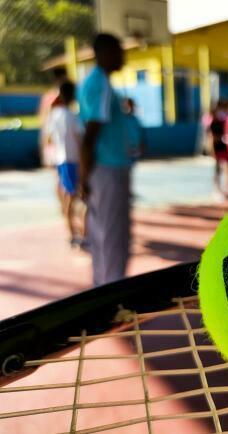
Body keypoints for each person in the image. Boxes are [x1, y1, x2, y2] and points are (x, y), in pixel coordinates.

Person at [78, 33, 131, 286]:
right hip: (107, 169)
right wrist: (84, 175)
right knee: (113, 236)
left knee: (102, 234)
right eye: (118, 50)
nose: (123, 56)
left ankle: (102, 285)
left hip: (103, 169)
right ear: (103, 53)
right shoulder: (100, 84)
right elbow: (90, 134)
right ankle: (112, 292)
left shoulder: (97, 82)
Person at [45, 81, 85, 248]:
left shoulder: (54, 115)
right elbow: (80, 140)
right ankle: (75, 235)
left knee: (69, 196)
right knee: (75, 197)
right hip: (72, 160)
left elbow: (49, 139)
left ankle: (74, 233)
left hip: (62, 161)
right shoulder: (72, 116)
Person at [39, 67, 68, 167]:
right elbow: (44, 117)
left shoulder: (51, 95)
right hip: (54, 136)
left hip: (57, 136)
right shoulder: (54, 96)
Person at [206, 102, 228, 198]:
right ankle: (217, 189)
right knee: (218, 169)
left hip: (225, 149)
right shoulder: (213, 123)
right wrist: (212, 151)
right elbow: (211, 138)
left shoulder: (224, 121)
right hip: (218, 149)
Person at [123, 98, 146, 163]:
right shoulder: (121, 121)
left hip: (135, 147)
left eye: (131, 106)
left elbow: (141, 134)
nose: (129, 108)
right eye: (127, 106)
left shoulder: (135, 120)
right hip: (125, 148)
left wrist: (142, 146)